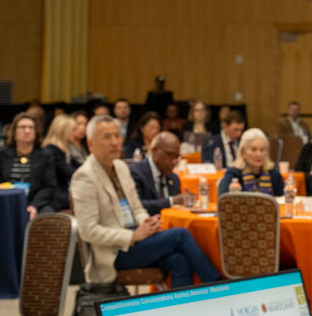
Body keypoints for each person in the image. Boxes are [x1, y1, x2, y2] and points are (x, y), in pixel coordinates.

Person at [71, 114, 220, 288]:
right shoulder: (84, 177)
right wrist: (132, 236)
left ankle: (180, 311)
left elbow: (137, 207)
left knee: (178, 260)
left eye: (117, 136)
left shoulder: (120, 167)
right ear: (90, 144)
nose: (114, 142)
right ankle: (218, 286)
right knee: (181, 235)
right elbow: (88, 231)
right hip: (113, 251)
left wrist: (146, 223)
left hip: (136, 239)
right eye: (107, 137)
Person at [0, 113, 57, 219]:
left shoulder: (45, 155)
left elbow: (49, 187)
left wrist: (34, 205)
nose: (27, 131)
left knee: (48, 216)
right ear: (14, 131)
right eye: (23, 127)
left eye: (31, 128)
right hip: (7, 201)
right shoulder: (2, 153)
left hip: (36, 201)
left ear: (36, 132)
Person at [130, 132, 193, 214]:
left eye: (177, 156)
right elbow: (137, 206)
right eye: (170, 155)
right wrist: (171, 201)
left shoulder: (174, 178)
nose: (174, 161)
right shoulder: (136, 172)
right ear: (154, 150)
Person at [41, 113, 87, 211]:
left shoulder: (61, 150)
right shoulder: (51, 150)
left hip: (61, 194)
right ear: (63, 131)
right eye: (73, 129)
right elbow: (70, 172)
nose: (75, 132)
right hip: (54, 199)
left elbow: (80, 167)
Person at [218, 128, 284, 196]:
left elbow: (283, 199)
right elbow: (224, 200)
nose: (259, 154)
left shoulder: (274, 174)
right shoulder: (233, 174)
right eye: (253, 150)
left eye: (262, 150)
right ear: (243, 152)